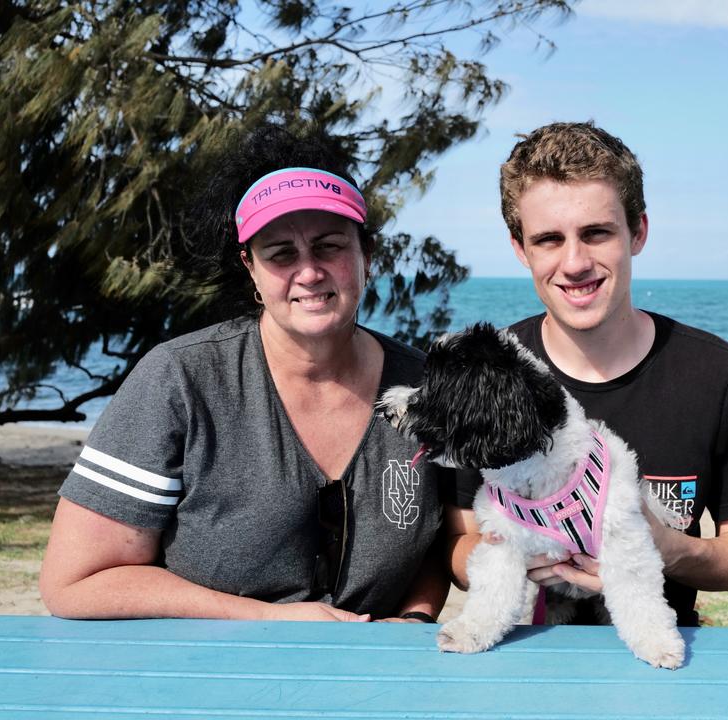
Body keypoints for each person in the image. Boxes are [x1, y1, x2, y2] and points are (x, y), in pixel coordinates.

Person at [39, 124, 465, 623]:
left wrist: (412, 619)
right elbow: (74, 583)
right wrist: (261, 618)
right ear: (251, 269)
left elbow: (437, 542)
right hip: (205, 681)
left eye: (329, 246)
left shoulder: (427, 386)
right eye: (281, 254)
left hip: (371, 684)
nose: (309, 272)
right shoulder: (181, 378)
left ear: (365, 256)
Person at [449, 121, 728, 626]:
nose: (575, 262)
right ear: (520, 248)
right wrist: (522, 549)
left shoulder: (719, 373)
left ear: (637, 232)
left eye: (596, 233)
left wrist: (663, 546)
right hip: (525, 657)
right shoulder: (487, 379)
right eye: (549, 240)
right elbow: (458, 543)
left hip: (659, 663)